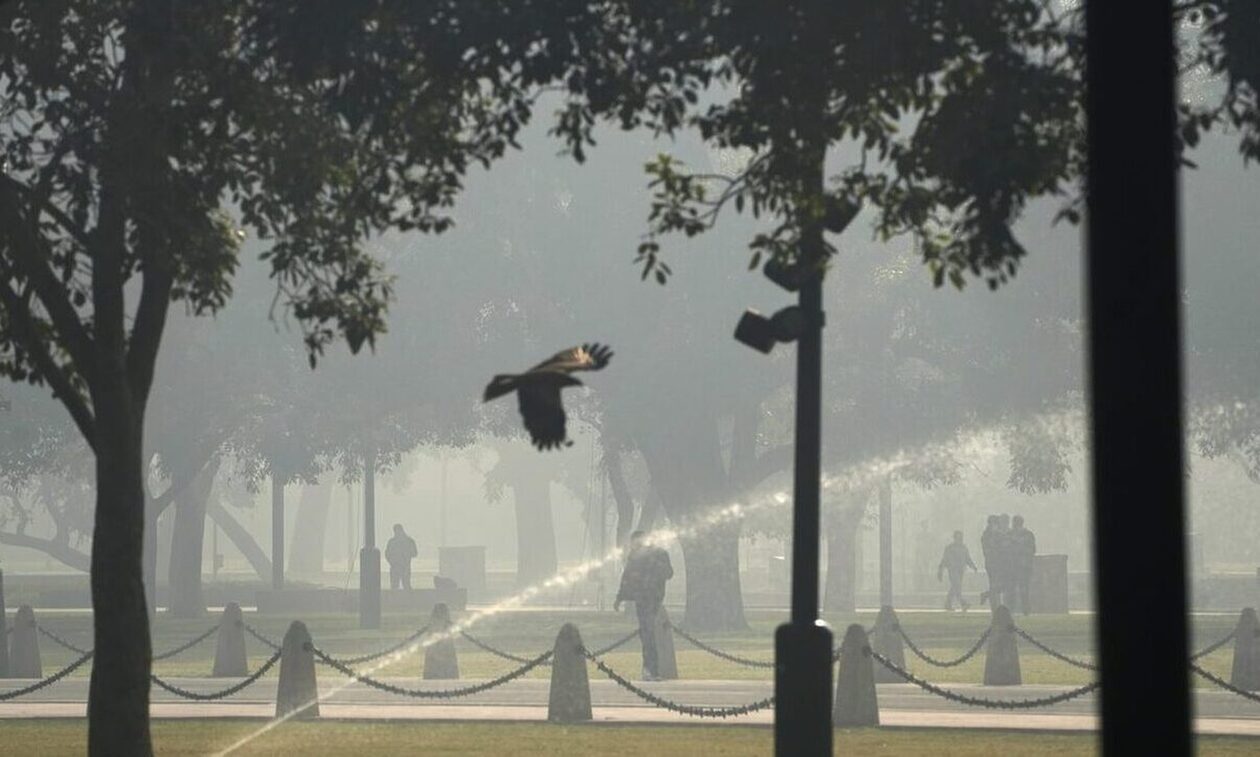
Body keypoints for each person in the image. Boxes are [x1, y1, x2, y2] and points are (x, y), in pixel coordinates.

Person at [614, 531, 674, 681]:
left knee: (648, 634)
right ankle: (650, 669)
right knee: (647, 633)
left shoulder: (656, 555)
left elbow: (668, 573)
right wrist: (620, 597)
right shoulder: (642, 555)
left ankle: (651, 669)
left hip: (650, 598)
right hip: (647, 598)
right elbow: (627, 577)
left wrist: (621, 597)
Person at [937, 531, 978, 611]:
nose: (959, 539)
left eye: (960, 537)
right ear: (955, 538)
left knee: (954, 587)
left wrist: (973, 566)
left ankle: (948, 604)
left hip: (960, 570)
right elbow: (945, 559)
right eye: (958, 537)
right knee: (957, 586)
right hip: (952, 570)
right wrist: (940, 570)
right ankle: (963, 603)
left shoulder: (964, 547)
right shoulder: (950, 548)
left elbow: (967, 558)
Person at [1009, 515, 1037, 615]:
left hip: (1018, 565)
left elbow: (1031, 549)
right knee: (1022, 589)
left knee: (1018, 589)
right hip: (1021, 566)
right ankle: (1024, 610)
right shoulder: (1028, 534)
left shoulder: (1012, 534)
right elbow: (1032, 550)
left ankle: (1017, 609)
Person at [385, 524, 418, 590]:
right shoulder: (409, 541)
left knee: (397, 587)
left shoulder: (392, 542)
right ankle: (407, 599)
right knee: (404, 587)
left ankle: (396, 600)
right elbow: (415, 553)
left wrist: (392, 561)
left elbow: (387, 554)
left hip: (398, 567)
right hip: (401, 566)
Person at [979, 515, 1002, 607]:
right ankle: (992, 602)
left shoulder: (997, 534)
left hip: (998, 562)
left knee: (996, 585)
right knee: (996, 584)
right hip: (992, 563)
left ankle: (989, 597)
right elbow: (987, 550)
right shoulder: (987, 535)